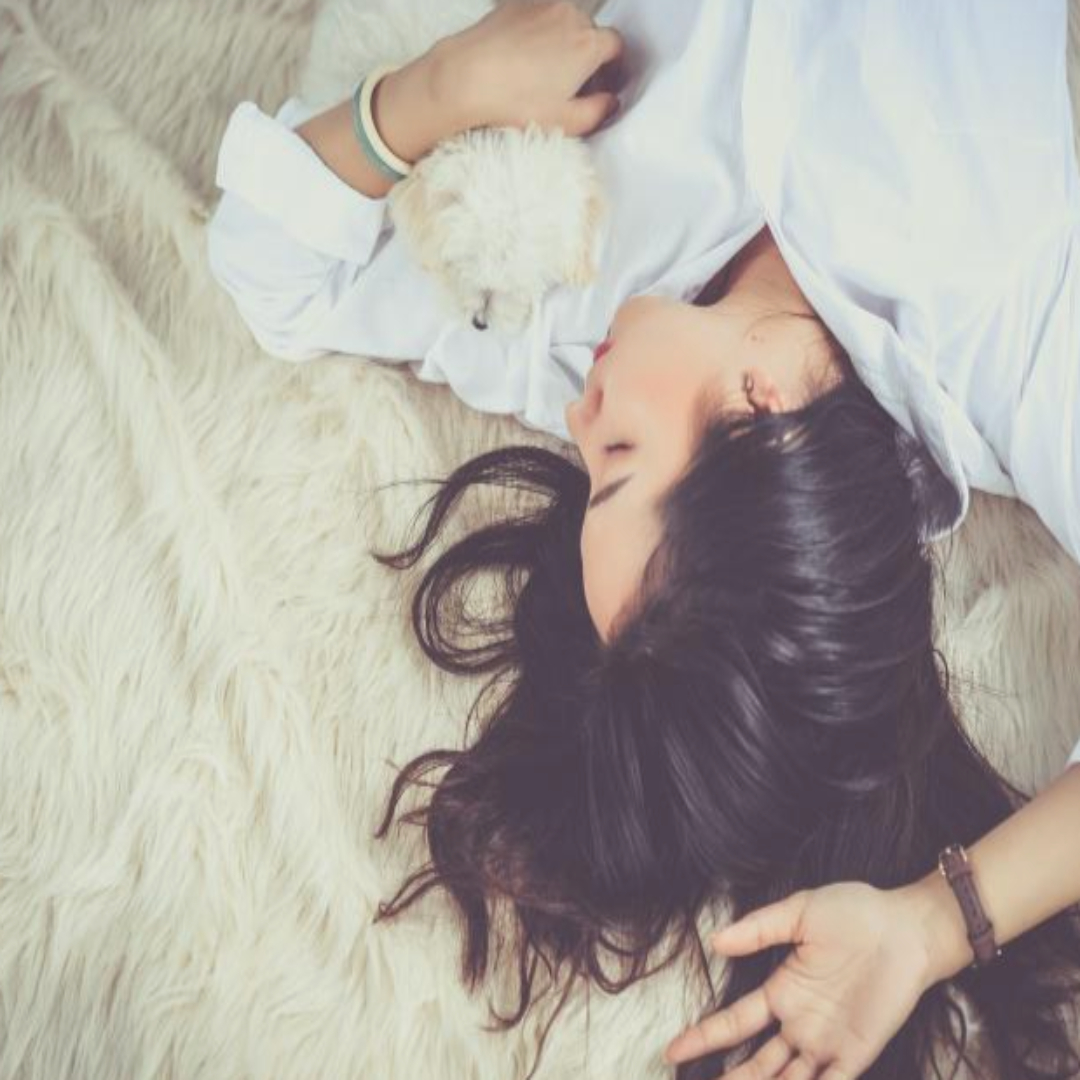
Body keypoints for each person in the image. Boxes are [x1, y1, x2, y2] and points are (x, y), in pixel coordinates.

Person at [205, 2, 1080, 1078]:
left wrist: (434, 94)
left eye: (590, 477)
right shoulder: (1008, 333)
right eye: (616, 457)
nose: (580, 419)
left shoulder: (570, 325)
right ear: (764, 416)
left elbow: (272, 275)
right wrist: (940, 923)